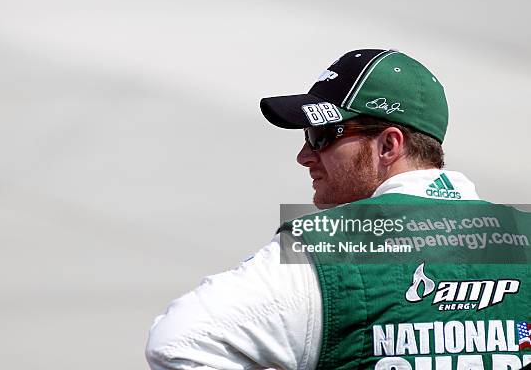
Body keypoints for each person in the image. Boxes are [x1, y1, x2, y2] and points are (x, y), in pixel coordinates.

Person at [145, 49, 530, 369]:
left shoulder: (330, 244)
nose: (304, 156)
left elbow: (180, 340)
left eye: (321, 135)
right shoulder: (523, 235)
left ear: (388, 146)